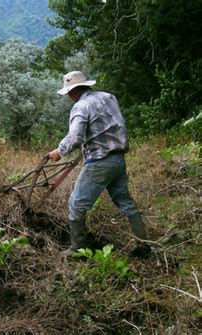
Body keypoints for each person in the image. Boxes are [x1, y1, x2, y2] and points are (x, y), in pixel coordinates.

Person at [48, 71, 151, 258]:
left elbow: (75, 137)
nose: (69, 97)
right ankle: (143, 244)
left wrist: (59, 151)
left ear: (73, 92)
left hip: (99, 162)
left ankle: (77, 248)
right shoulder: (108, 97)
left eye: (69, 93)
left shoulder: (80, 106)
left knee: (76, 203)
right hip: (118, 159)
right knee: (125, 201)